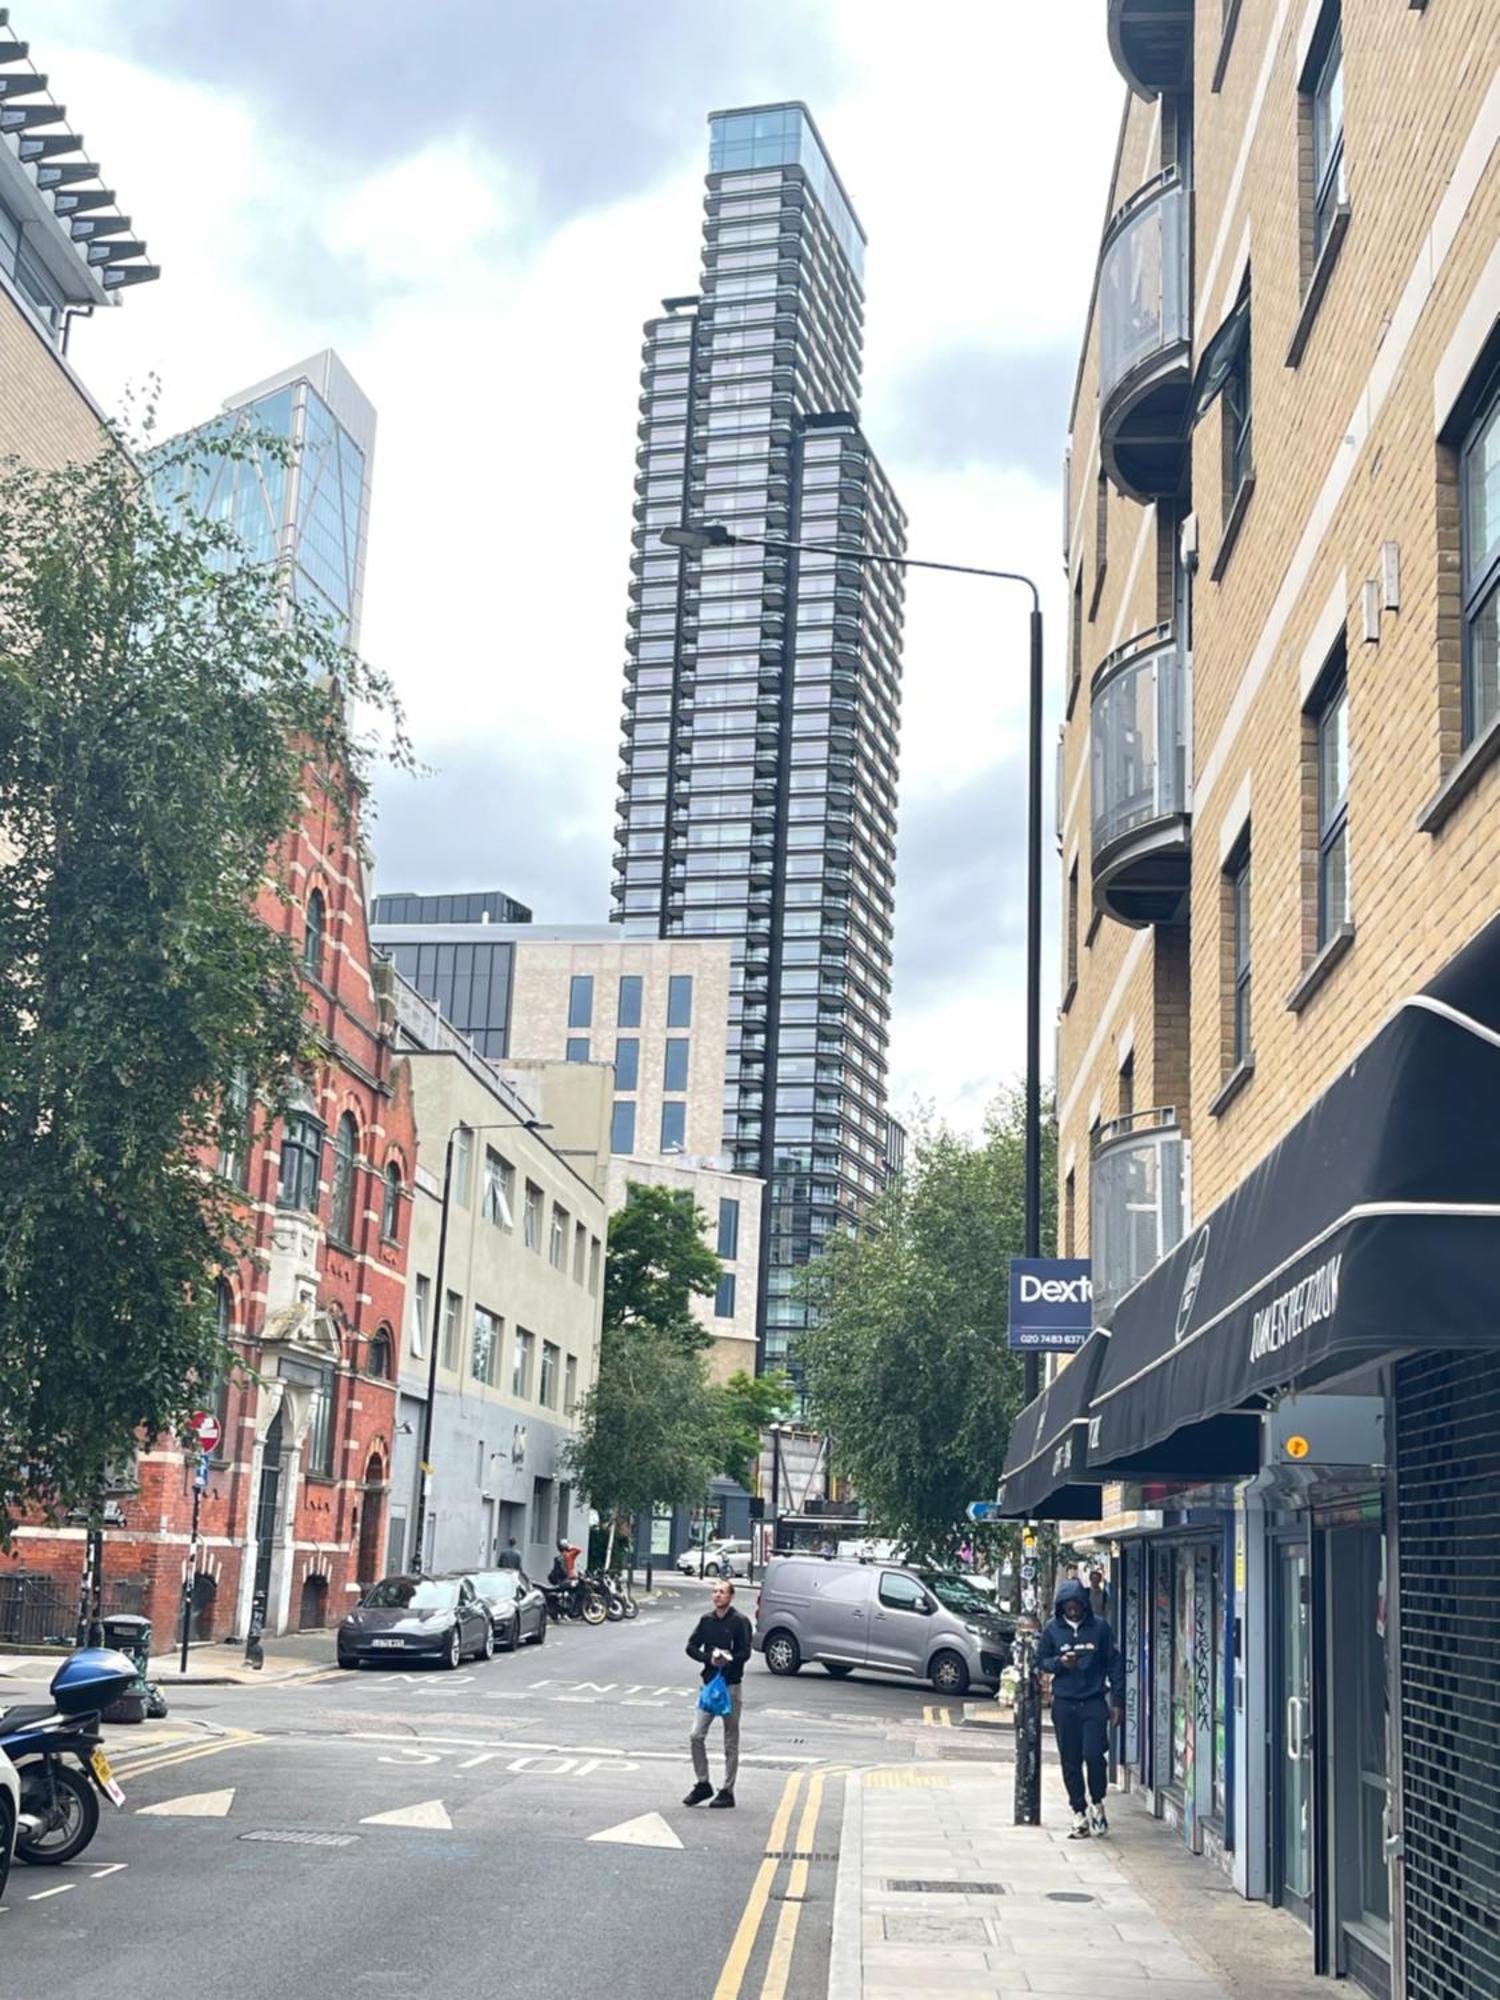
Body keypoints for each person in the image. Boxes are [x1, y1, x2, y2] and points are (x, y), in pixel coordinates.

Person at [1035, 1576, 1125, 1839]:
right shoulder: (1052, 1629)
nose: (1072, 1609)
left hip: (1094, 1701)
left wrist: (1117, 1702)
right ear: (1061, 1606)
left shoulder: (1100, 1629)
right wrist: (1060, 1663)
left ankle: (1097, 1802)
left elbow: (1114, 1665)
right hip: (1064, 1703)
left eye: (1076, 1604)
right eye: (1067, 1605)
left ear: (1084, 1604)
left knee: (1094, 1754)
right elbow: (1041, 1661)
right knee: (1070, 1760)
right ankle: (1078, 1812)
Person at [683, 1578, 752, 1810]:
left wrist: (729, 1659)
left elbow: (745, 1652)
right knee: (696, 1735)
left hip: (731, 1686)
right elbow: (691, 1647)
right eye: (714, 1592)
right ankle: (703, 1783)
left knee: (730, 1740)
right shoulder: (706, 1620)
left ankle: (727, 1790)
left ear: (731, 1596)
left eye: (722, 1592)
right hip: (710, 1685)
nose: (717, 1595)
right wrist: (708, 1658)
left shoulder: (740, 1622)